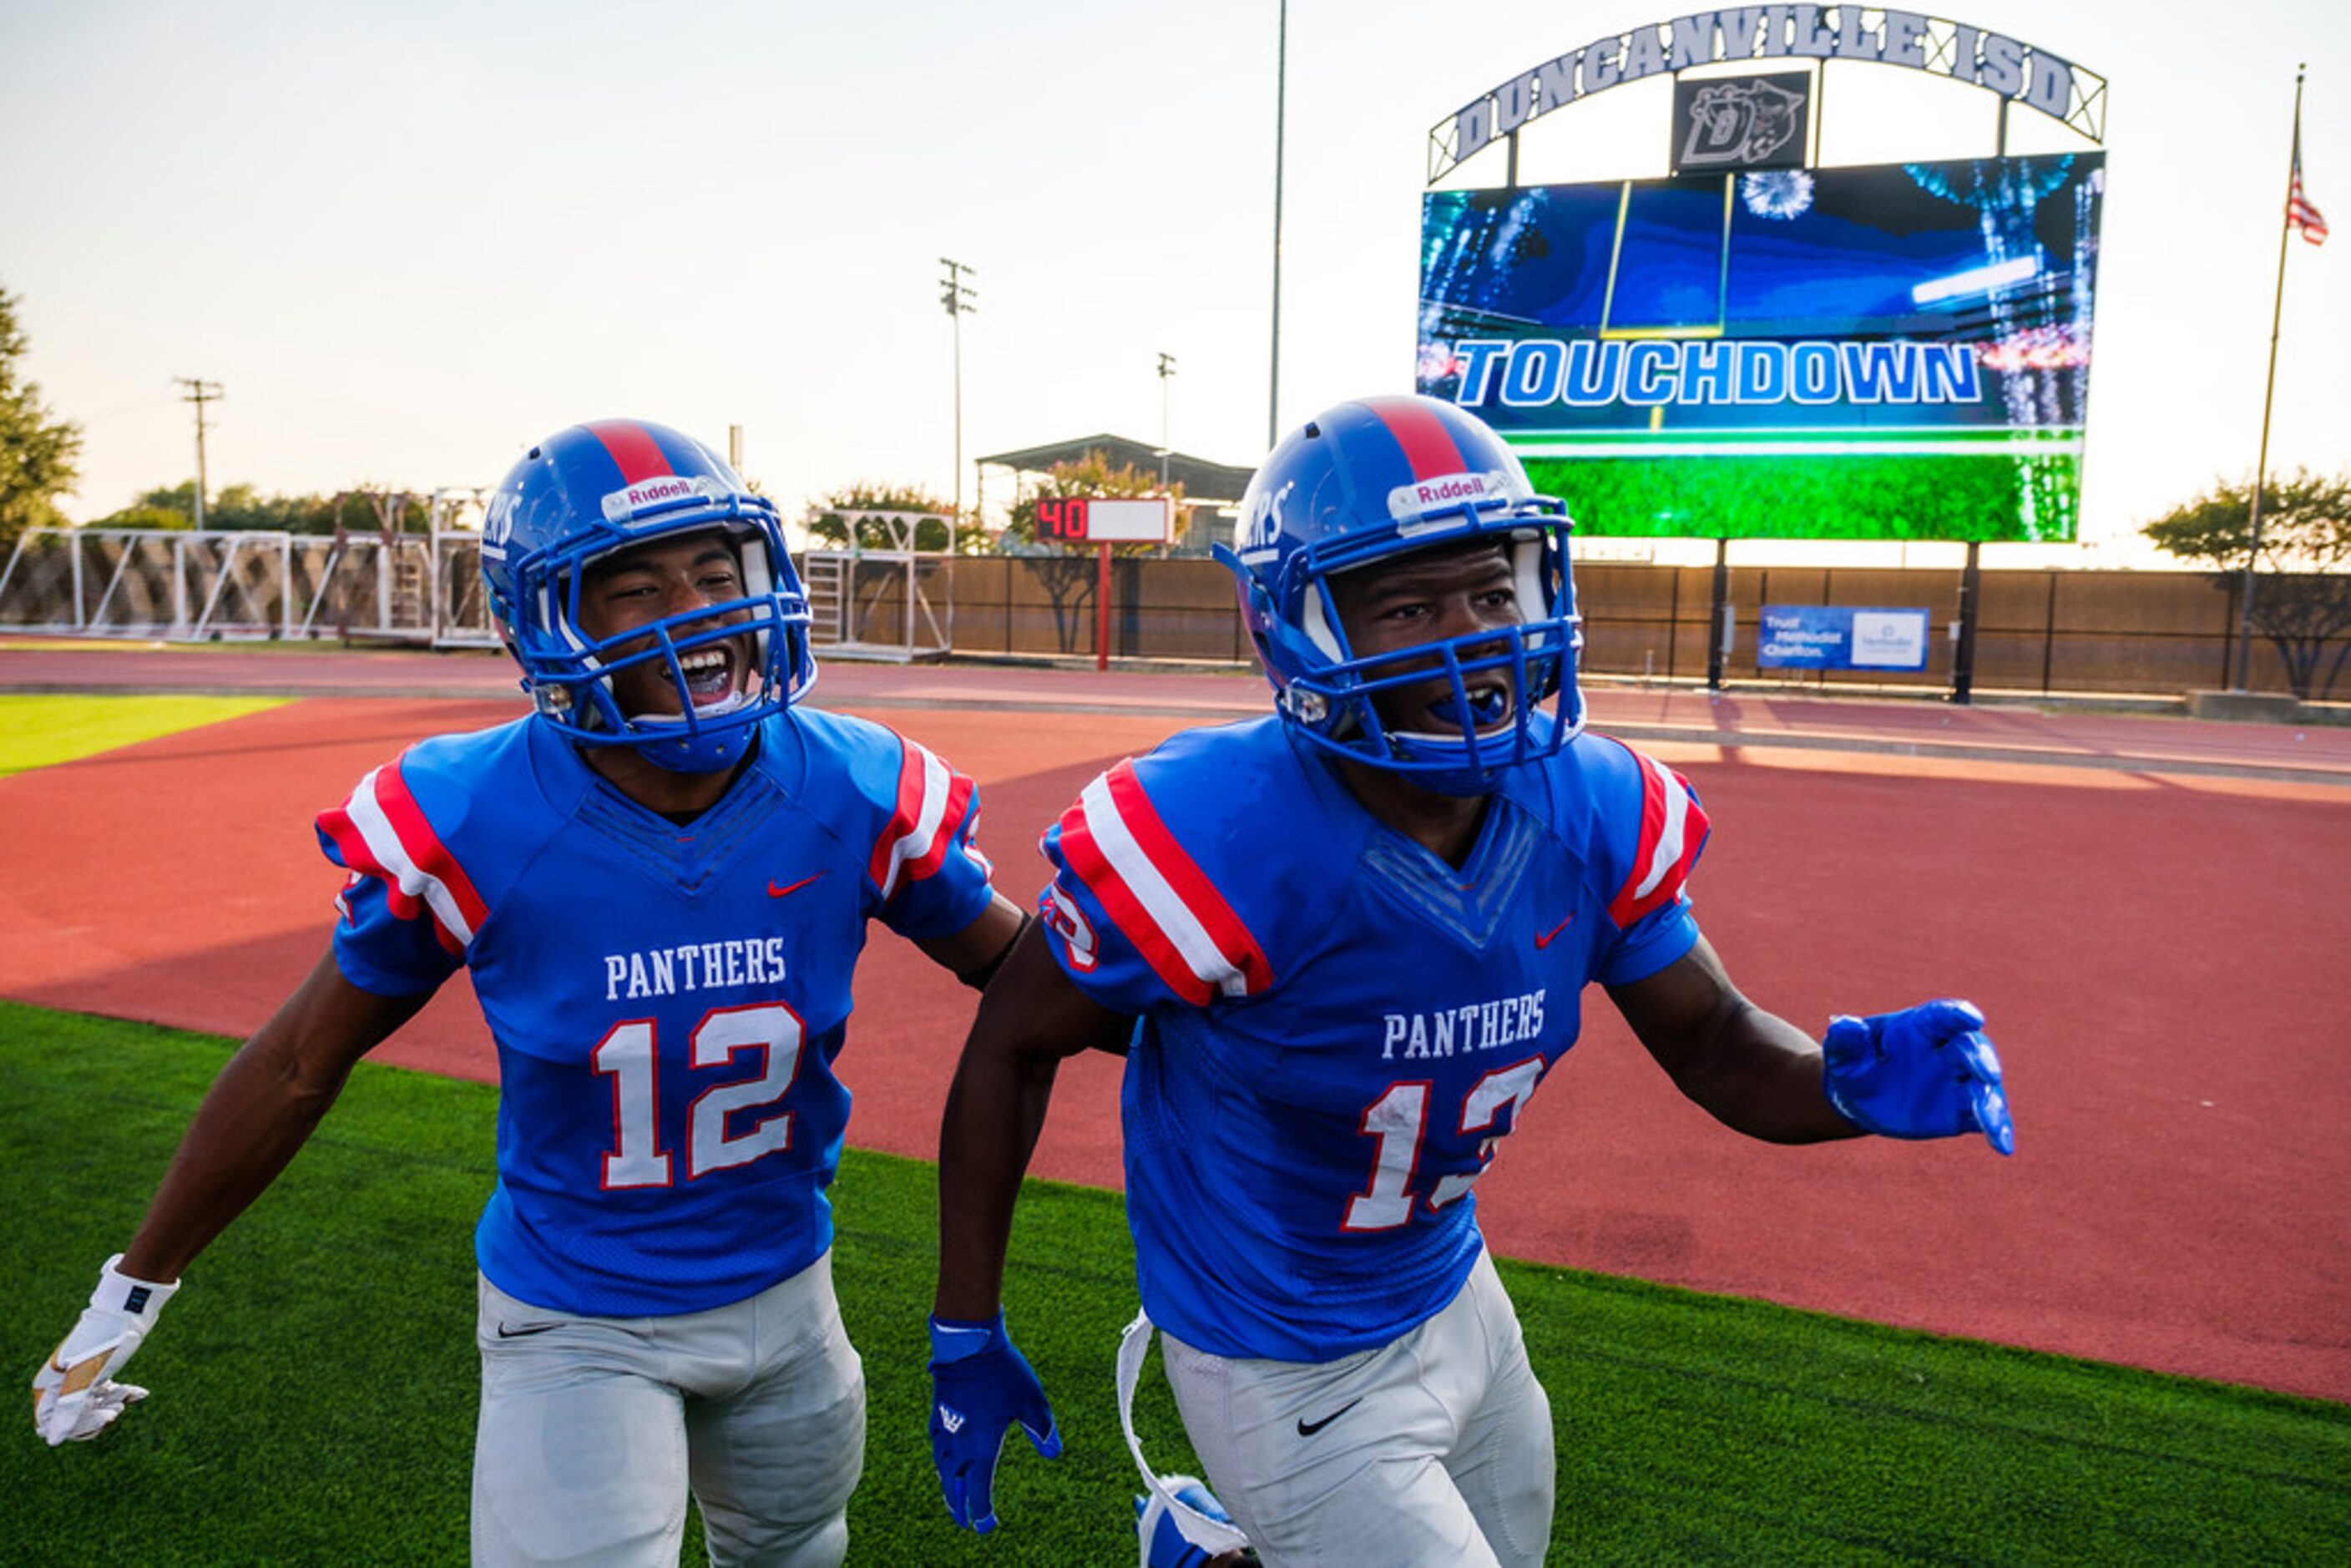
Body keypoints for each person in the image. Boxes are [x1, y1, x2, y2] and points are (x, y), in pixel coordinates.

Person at [924, 394, 2012, 1566]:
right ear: (1302, 627)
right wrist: (964, 1324)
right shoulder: (1216, 833)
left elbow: (1712, 1041)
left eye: (1494, 591)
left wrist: (1844, 1087)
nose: (1474, 633)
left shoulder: (1588, 801)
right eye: (1408, 604)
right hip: (1274, 1345)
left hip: (1456, 1292)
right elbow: (1014, 1039)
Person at [33, 418, 1028, 1568]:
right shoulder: (477, 815)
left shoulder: (850, 783)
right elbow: (305, 1057)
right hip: (575, 1318)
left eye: (718, 572)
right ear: (541, 620)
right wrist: (132, 1287)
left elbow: (1027, 977)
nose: (699, 612)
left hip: (791, 1295)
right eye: (636, 587)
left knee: (798, 1549)